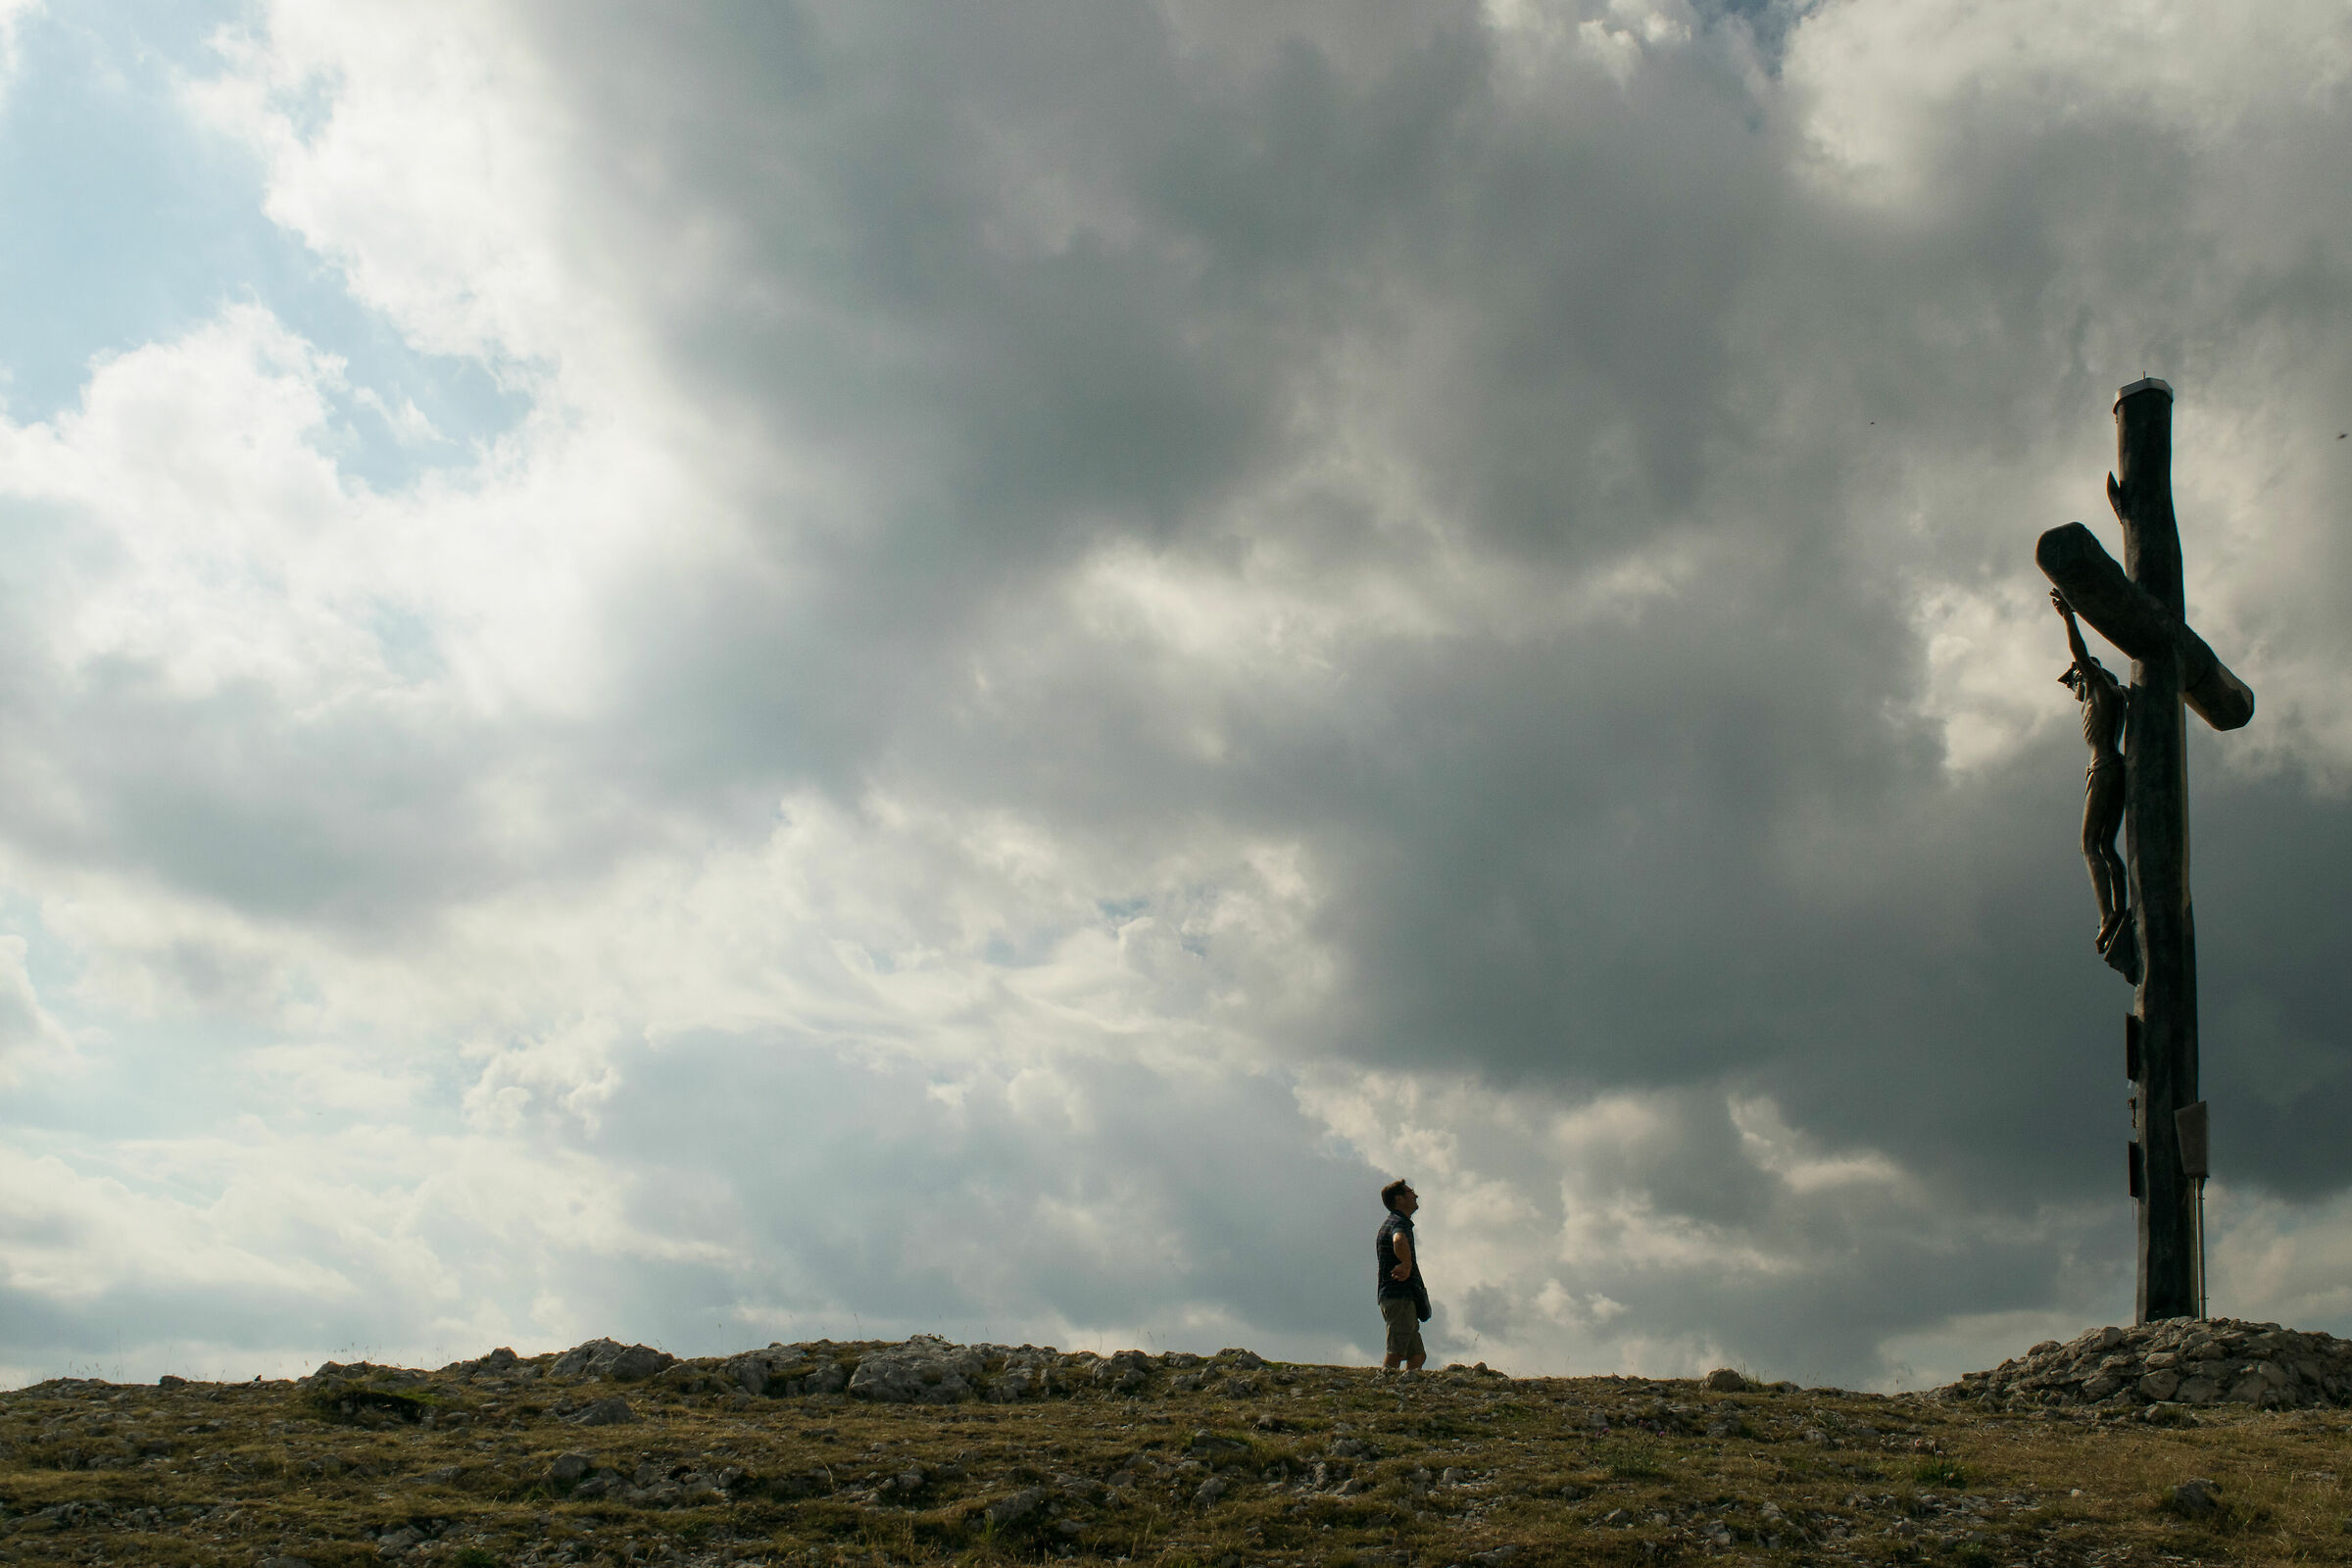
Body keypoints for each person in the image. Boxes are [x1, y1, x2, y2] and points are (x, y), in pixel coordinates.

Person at [2051, 589, 2131, 957]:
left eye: (2073, 683)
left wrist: (2068, 615)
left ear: (2083, 676)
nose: (2074, 691)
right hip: (2113, 766)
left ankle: (2108, 914)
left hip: (2103, 767)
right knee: (2105, 845)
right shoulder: (2118, 696)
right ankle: (2117, 911)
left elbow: (2080, 654)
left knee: (2089, 845)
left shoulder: (2100, 687)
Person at [1375, 1178, 1430, 1374]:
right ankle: (1383, 1385)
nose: (1415, 1195)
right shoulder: (1399, 1223)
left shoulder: (1394, 1222)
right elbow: (1399, 1240)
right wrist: (1406, 1265)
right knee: (1396, 1351)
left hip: (1401, 1297)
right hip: (1399, 1296)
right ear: (1399, 1199)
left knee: (1417, 1355)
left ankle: (1408, 1386)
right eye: (1410, 1191)